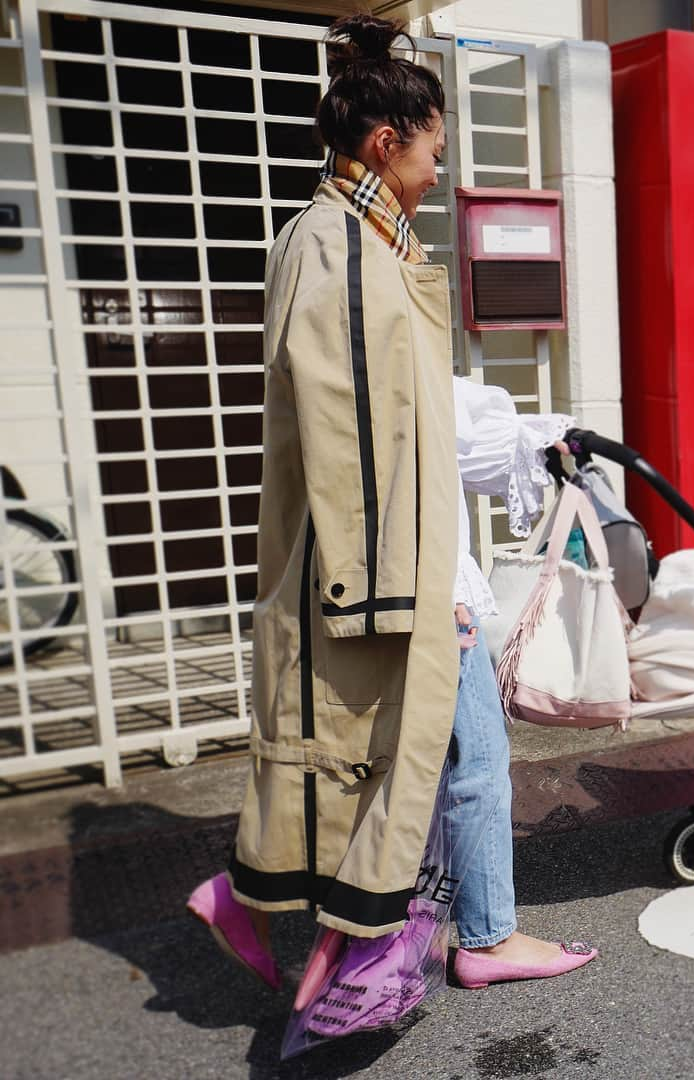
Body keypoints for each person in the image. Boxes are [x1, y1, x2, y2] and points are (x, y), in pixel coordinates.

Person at [186, 13, 596, 994]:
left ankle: (263, 896)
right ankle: (482, 937)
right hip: (393, 561)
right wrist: (411, 594)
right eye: (433, 151)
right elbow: (372, 438)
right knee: (470, 759)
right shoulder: (353, 255)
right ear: (385, 142)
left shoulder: (330, 236)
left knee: (382, 756)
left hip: (373, 553)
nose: (439, 171)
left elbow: (393, 411)